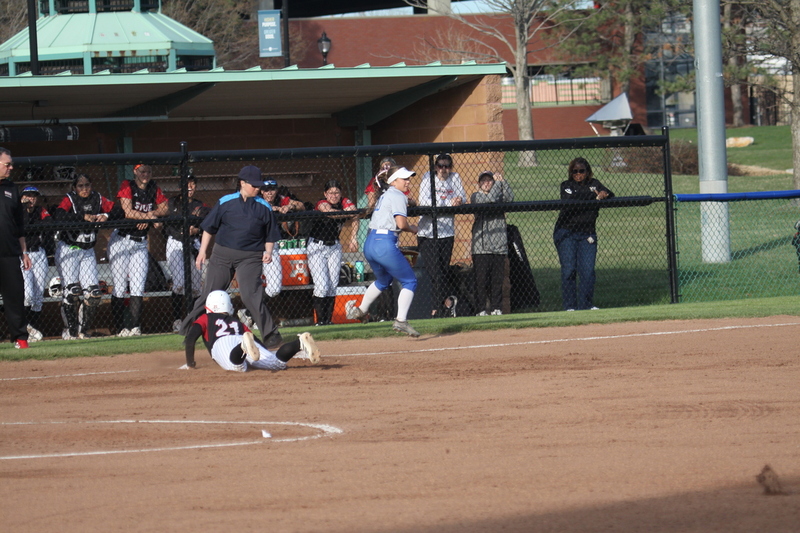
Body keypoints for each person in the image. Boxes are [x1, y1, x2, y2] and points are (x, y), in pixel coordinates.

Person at [179, 165, 284, 350]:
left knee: (250, 295)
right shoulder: (226, 202)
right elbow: (209, 228)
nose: (257, 188)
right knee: (209, 294)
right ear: (242, 183)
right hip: (222, 255)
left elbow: (270, 234)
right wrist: (203, 251)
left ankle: (271, 335)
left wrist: (268, 251)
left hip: (250, 257)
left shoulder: (264, 206)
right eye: (254, 185)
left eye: (259, 185)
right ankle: (188, 331)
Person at [346, 166, 421, 337]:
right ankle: (401, 320)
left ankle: (361, 310)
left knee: (384, 280)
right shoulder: (398, 195)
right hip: (384, 243)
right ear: (393, 181)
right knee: (410, 281)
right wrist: (412, 229)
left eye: (408, 178)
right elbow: (401, 224)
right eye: (404, 179)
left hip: (370, 242)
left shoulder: (385, 195)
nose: (408, 181)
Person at [181, 290, 320, 372]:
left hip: (222, 343)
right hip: (242, 337)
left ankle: (243, 347)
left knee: (238, 367)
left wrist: (190, 364)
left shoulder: (205, 318)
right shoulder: (236, 322)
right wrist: (265, 353)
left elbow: (190, 340)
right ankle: (299, 343)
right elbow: (256, 342)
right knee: (276, 363)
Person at [53, 174, 119, 339]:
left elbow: (118, 209)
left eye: (87, 185)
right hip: (69, 248)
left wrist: (106, 215)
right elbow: (59, 215)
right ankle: (70, 330)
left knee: (94, 293)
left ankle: (82, 330)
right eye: (80, 186)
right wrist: (82, 217)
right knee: (71, 292)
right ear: (74, 187)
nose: (84, 189)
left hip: (88, 250)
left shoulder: (97, 198)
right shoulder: (70, 198)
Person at [107, 164, 169, 336]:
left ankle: (135, 327)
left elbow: (165, 207)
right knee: (120, 286)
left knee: (137, 286)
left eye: (148, 171)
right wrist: (149, 217)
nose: (145, 174)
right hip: (122, 240)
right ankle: (120, 328)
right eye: (142, 171)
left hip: (140, 243)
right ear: (135, 172)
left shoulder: (153, 187)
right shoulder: (128, 185)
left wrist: (149, 216)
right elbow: (127, 211)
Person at [553, 157, 615, 311]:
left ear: (588, 172)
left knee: (587, 271)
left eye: (581, 171)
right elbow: (571, 199)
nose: (578, 174)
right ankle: (570, 306)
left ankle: (586, 305)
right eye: (575, 171)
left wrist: (603, 193)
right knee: (569, 270)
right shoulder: (566, 185)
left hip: (587, 233)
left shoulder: (594, 183)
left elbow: (610, 194)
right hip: (566, 232)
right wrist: (594, 196)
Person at [417, 153, 466, 318]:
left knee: (442, 272)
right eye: (440, 166)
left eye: (447, 166)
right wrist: (447, 203)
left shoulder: (455, 177)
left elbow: (462, 197)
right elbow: (424, 201)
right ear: (435, 167)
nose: (444, 169)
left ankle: (437, 310)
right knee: (435, 272)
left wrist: (459, 201)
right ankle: (446, 302)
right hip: (427, 232)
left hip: (447, 232)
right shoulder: (427, 178)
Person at [307, 180, 357, 326]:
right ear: (325, 193)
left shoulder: (344, 201)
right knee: (322, 285)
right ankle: (319, 321)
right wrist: (346, 212)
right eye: (330, 193)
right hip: (317, 246)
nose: (334, 196)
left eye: (336, 193)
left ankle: (328, 320)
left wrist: (353, 237)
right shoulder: (321, 202)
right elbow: (329, 212)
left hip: (334, 246)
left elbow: (355, 214)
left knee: (332, 285)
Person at [164, 175, 209, 333]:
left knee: (196, 286)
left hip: (193, 243)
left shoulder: (199, 205)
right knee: (179, 284)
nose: (190, 186)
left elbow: (206, 224)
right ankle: (177, 320)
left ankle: (196, 320)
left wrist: (195, 229)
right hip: (175, 242)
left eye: (192, 184)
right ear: (180, 187)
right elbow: (164, 221)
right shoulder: (171, 203)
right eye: (186, 184)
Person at [470, 171, 514, 317]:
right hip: (481, 247)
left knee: (497, 280)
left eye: (490, 180)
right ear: (479, 184)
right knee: (481, 280)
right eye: (483, 181)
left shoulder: (499, 195)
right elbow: (489, 201)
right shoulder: (476, 196)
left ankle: (497, 308)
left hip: (499, 244)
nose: (487, 183)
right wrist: (497, 185)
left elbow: (510, 198)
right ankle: (481, 309)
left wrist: (503, 182)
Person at [0, 148, 31, 349]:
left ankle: (21, 339)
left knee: (15, 296)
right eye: (7, 164)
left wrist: (24, 252)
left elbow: (19, 225)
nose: (11, 168)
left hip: (9, 253)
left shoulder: (12, 189)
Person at [258, 179, 304, 302]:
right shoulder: (257, 200)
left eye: (272, 190)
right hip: (253, 247)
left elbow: (301, 205)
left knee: (274, 288)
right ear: (261, 191)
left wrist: (289, 206)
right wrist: (271, 208)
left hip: (271, 247)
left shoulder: (281, 199)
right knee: (251, 285)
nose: (269, 193)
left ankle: (252, 309)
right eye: (266, 190)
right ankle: (253, 311)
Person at [20, 187, 50, 342]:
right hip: (23, 255)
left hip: (39, 253)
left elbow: (49, 223)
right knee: (28, 295)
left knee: (38, 297)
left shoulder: (40, 210)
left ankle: (32, 329)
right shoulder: (18, 211)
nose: (31, 199)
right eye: (27, 196)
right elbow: (21, 225)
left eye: (33, 196)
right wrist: (23, 208)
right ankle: (25, 328)